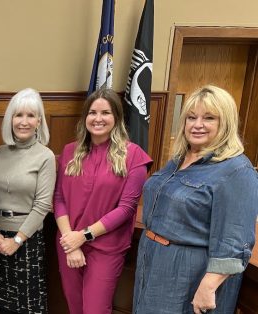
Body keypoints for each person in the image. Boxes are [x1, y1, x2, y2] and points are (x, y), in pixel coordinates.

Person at [133, 85, 258, 314]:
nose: (197, 124)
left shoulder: (237, 170)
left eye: (209, 118)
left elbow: (235, 239)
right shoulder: (180, 158)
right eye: (191, 117)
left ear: (226, 123)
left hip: (189, 270)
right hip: (153, 260)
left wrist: (208, 286)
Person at [54, 88, 152, 313]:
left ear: (116, 118)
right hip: (68, 243)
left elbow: (126, 209)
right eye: (92, 112)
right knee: (75, 307)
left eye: (105, 113)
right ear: (85, 117)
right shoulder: (70, 152)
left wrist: (83, 236)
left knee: (95, 309)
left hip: (106, 247)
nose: (98, 118)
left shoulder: (134, 155)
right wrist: (71, 241)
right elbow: (59, 198)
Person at [0, 88, 55, 314]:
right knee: (1, 306)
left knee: (26, 307)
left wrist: (16, 240)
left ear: (39, 121)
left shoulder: (46, 156)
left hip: (26, 241)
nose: (24, 121)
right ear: (10, 119)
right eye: (18, 115)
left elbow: (43, 205)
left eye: (30, 115)